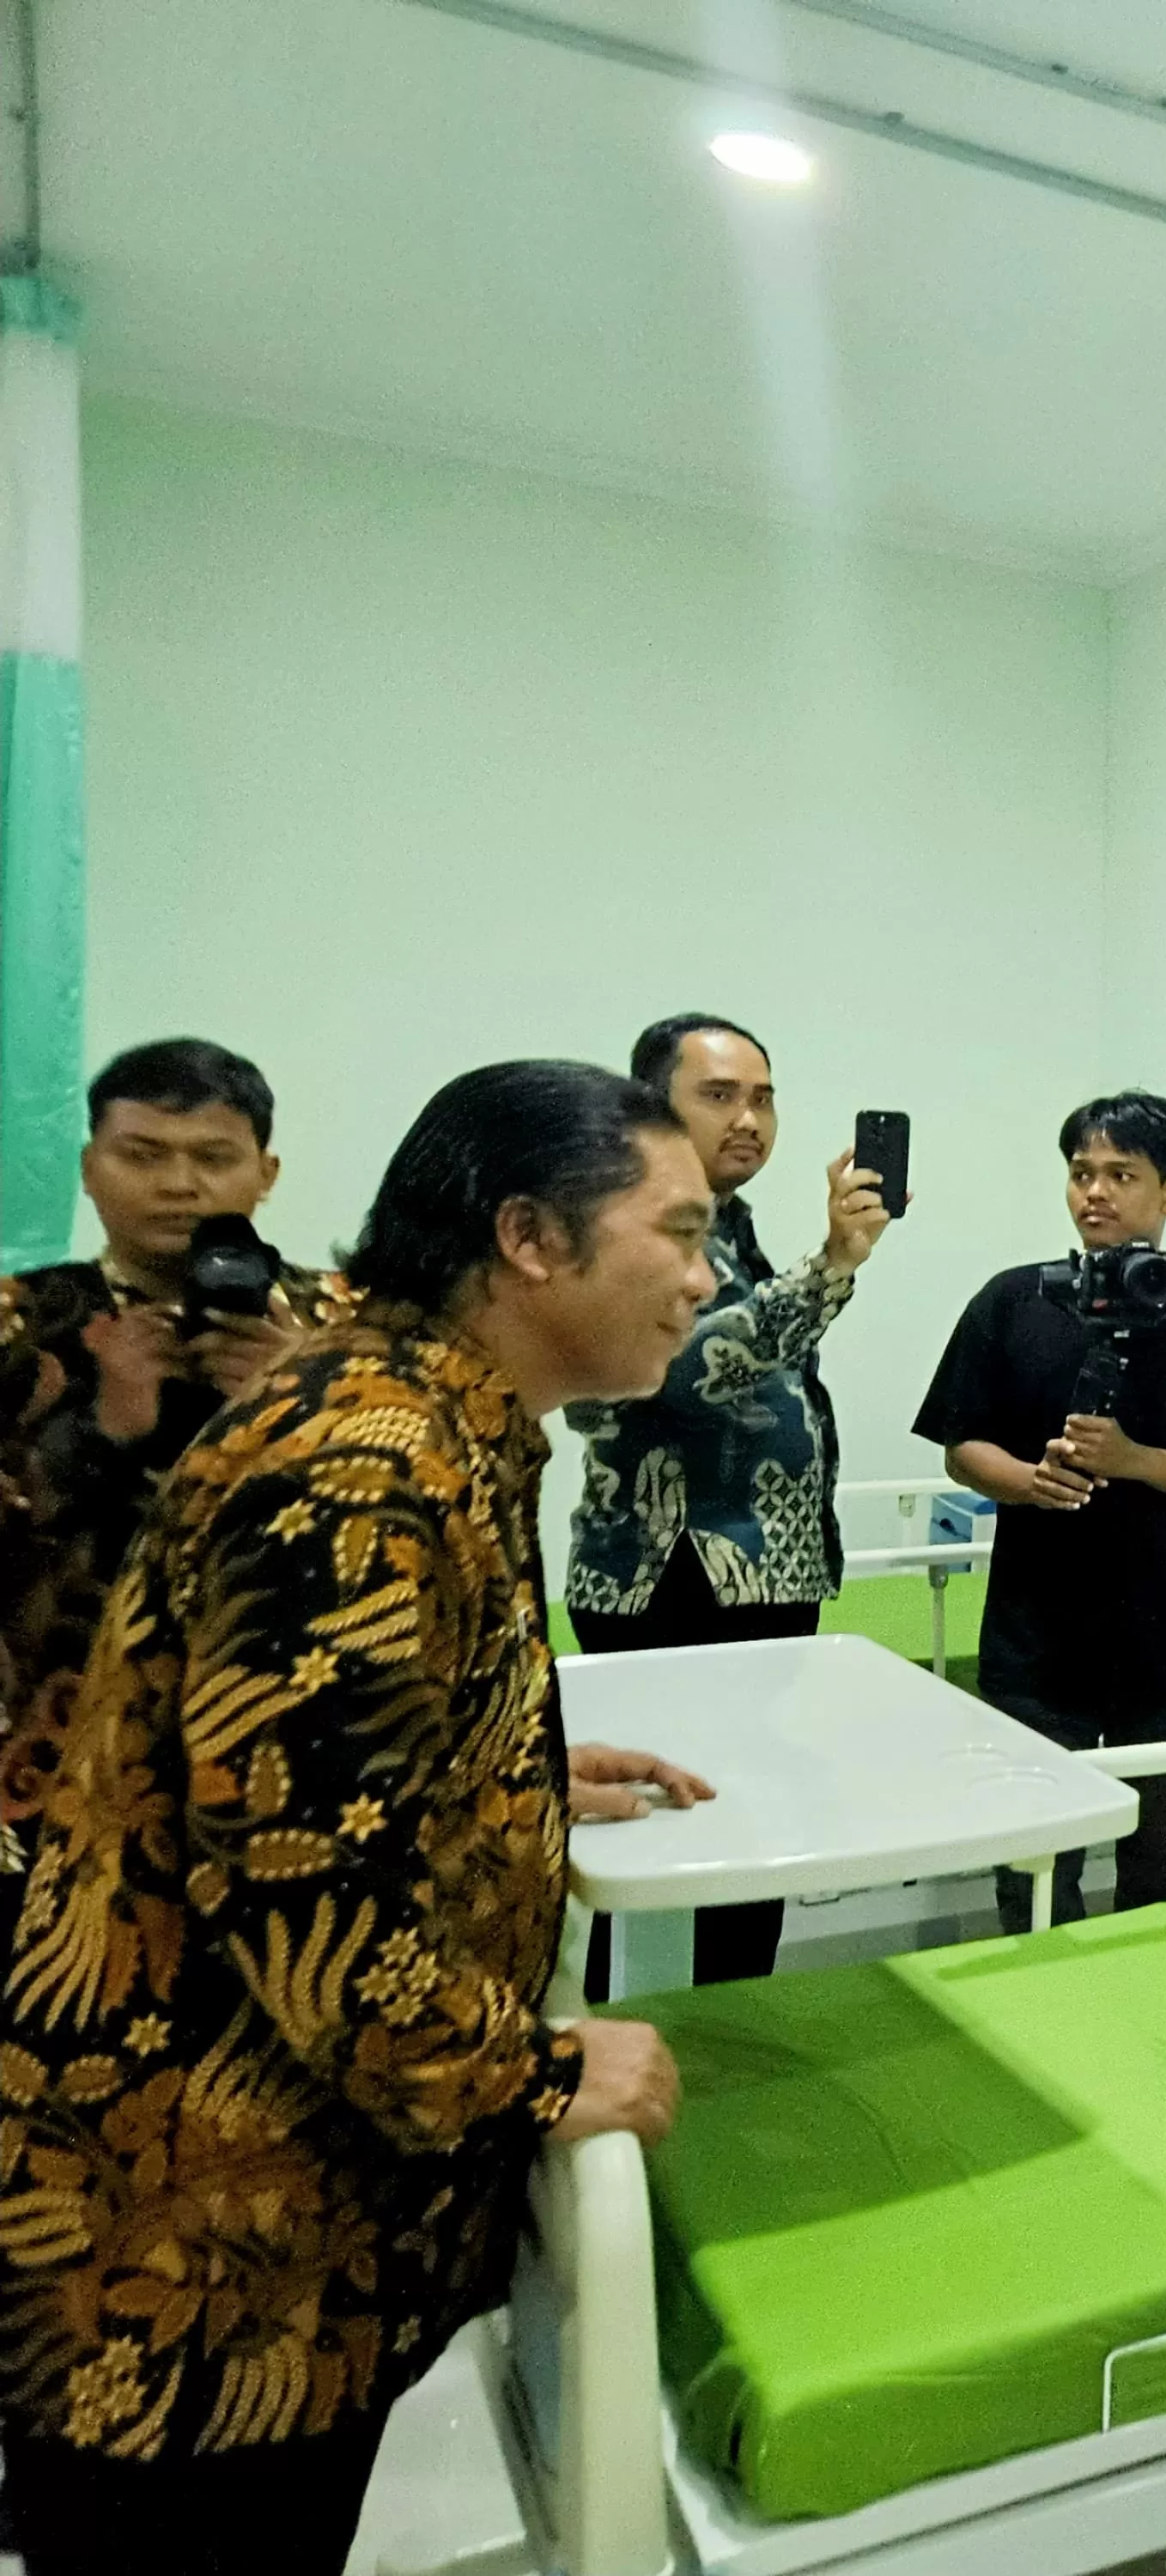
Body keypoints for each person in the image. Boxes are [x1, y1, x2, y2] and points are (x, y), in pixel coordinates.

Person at [0, 1060, 722, 2576]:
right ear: (531, 1240)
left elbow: (305, 1758)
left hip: (264, 2220)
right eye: (682, 1231)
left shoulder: (422, 1418)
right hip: (194, 2260)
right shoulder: (364, 1465)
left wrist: (505, 1768)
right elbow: (306, 1889)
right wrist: (535, 2075)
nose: (704, 1280)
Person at [562, 1013, 892, 1984]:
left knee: (757, 1817)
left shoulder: (724, 1222)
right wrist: (832, 1265)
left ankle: (733, 2032)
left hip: (756, 1578)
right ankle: (636, 2042)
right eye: (718, 1096)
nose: (748, 1118)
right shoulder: (620, 1223)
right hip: (668, 1579)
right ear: (648, 1109)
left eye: (763, 1096)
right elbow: (674, 1368)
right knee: (660, 1838)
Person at [914, 1091, 1166, 1927]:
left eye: (1121, 1174)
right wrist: (1025, 1480)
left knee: (1161, 1867)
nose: (1094, 1193)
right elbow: (960, 1444)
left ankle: (1149, 2027)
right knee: (1033, 1867)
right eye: (1081, 1174)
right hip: (1037, 1642)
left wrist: (1133, 1461)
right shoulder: (1013, 1302)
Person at [0, 1040, 335, 1908]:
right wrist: (106, 1430)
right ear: (88, 1167)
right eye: (142, 1155)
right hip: (61, 1737)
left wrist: (316, 1400)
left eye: (213, 1159)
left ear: (265, 1173)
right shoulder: (18, 1321)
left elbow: (416, 1509)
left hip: (299, 1728)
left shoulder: (345, 1323)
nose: (178, 1185)